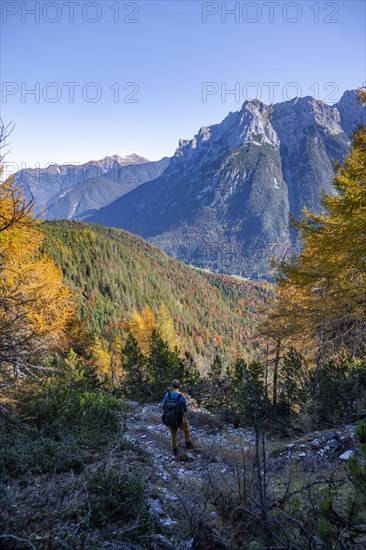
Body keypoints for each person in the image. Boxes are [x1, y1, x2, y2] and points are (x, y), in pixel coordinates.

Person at [162, 379, 194, 457]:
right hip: (179, 418)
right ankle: (188, 443)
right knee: (186, 429)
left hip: (170, 417)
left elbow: (163, 406)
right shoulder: (181, 397)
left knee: (173, 433)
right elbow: (185, 409)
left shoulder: (167, 395)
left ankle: (174, 448)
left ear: (172, 386)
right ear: (179, 386)